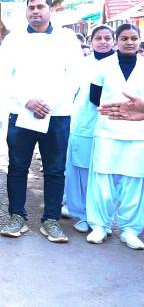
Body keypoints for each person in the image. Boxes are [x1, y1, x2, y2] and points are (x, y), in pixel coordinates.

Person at [0, 0, 84, 243]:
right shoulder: (14, 39)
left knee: (55, 169)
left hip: (57, 114)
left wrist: (49, 103)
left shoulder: (66, 39)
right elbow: (3, 76)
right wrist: (27, 101)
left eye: (40, 7)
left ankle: (51, 220)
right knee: (17, 167)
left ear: (50, 10)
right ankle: (17, 217)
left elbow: (75, 77)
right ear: (26, 11)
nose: (36, 11)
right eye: (31, 7)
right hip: (22, 112)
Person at [85, 24, 144, 249]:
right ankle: (100, 225)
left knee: (134, 181)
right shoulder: (103, 66)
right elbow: (94, 97)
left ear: (139, 41)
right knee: (102, 180)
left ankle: (130, 230)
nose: (129, 42)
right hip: (107, 130)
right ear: (117, 41)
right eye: (124, 38)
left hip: (139, 133)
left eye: (134, 38)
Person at [63, 25, 115, 234]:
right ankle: (83, 214)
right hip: (83, 122)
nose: (103, 42)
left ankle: (104, 218)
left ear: (113, 41)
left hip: (112, 125)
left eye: (107, 38)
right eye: (98, 38)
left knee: (107, 173)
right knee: (81, 170)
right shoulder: (82, 65)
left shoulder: (121, 65)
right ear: (91, 41)